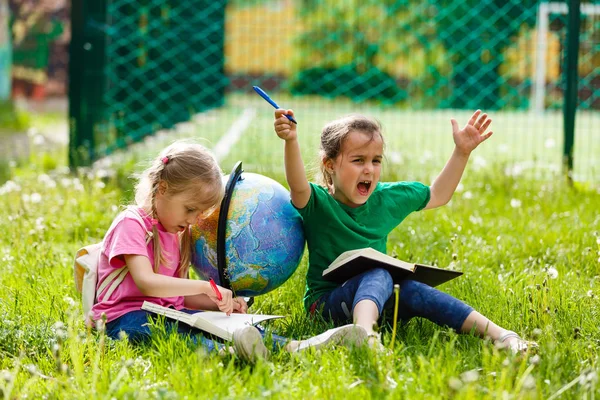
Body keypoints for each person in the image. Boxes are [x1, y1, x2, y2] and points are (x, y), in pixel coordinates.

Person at [273, 109, 537, 353]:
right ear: (329, 165)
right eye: (358, 160)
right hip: (327, 304)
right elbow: (297, 186)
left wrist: (462, 152)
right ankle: (364, 336)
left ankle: (503, 336)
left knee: (411, 288)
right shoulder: (318, 202)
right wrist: (290, 141)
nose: (369, 169)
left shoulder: (387, 198)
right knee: (378, 271)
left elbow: (438, 195)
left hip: (379, 298)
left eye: (376, 160)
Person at [90, 141, 367, 363]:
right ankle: (229, 354)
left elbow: (176, 297)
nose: (194, 220)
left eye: (199, 213)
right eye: (190, 209)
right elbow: (146, 282)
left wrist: (218, 304)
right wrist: (204, 287)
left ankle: (299, 346)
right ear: (162, 189)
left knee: (215, 322)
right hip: (121, 319)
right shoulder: (132, 223)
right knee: (165, 330)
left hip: (168, 312)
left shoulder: (175, 233)